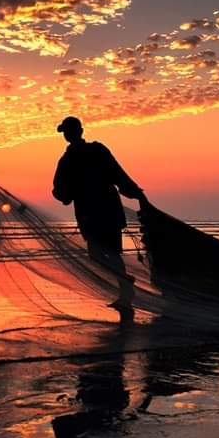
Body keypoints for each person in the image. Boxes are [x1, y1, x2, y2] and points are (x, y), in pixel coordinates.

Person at [52, 116, 145, 319]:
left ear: (79, 131)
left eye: (68, 131)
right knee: (101, 254)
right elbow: (60, 190)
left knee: (108, 252)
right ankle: (126, 286)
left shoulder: (88, 153)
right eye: (65, 132)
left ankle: (126, 291)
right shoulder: (72, 158)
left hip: (99, 212)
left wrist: (134, 190)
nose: (67, 135)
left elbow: (117, 173)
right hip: (96, 212)